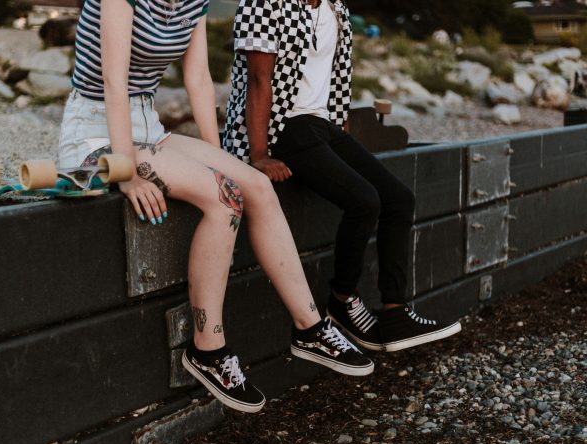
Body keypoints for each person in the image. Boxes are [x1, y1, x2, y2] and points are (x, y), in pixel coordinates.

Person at [58, 0, 374, 414]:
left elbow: (199, 80)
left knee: (257, 186)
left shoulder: (194, 3)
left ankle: (311, 328)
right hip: (94, 133)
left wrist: (217, 157)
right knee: (225, 198)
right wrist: (126, 171)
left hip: (149, 127)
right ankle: (208, 349)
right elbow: (114, 86)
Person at [224, 0, 461, 353]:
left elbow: (336, 77)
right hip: (282, 127)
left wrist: (342, 141)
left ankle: (395, 313)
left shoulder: (335, 8)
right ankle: (342, 299)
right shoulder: (264, 2)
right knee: (364, 201)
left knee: (398, 199)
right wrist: (259, 155)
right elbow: (259, 79)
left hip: (323, 126)